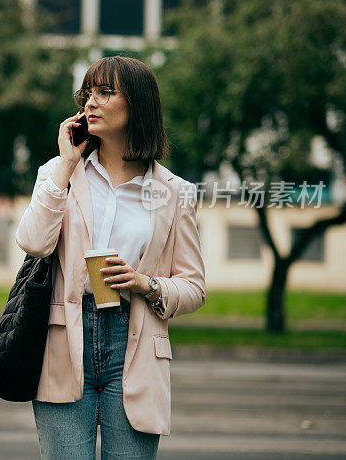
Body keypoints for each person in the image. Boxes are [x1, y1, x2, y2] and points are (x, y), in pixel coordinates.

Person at [15, 56, 206, 459]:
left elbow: (193, 287)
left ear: (137, 104)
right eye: (87, 94)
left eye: (105, 93)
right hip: (65, 336)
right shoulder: (59, 172)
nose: (91, 103)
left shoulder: (175, 192)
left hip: (134, 340)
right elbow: (33, 242)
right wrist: (66, 163)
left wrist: (145, 283)